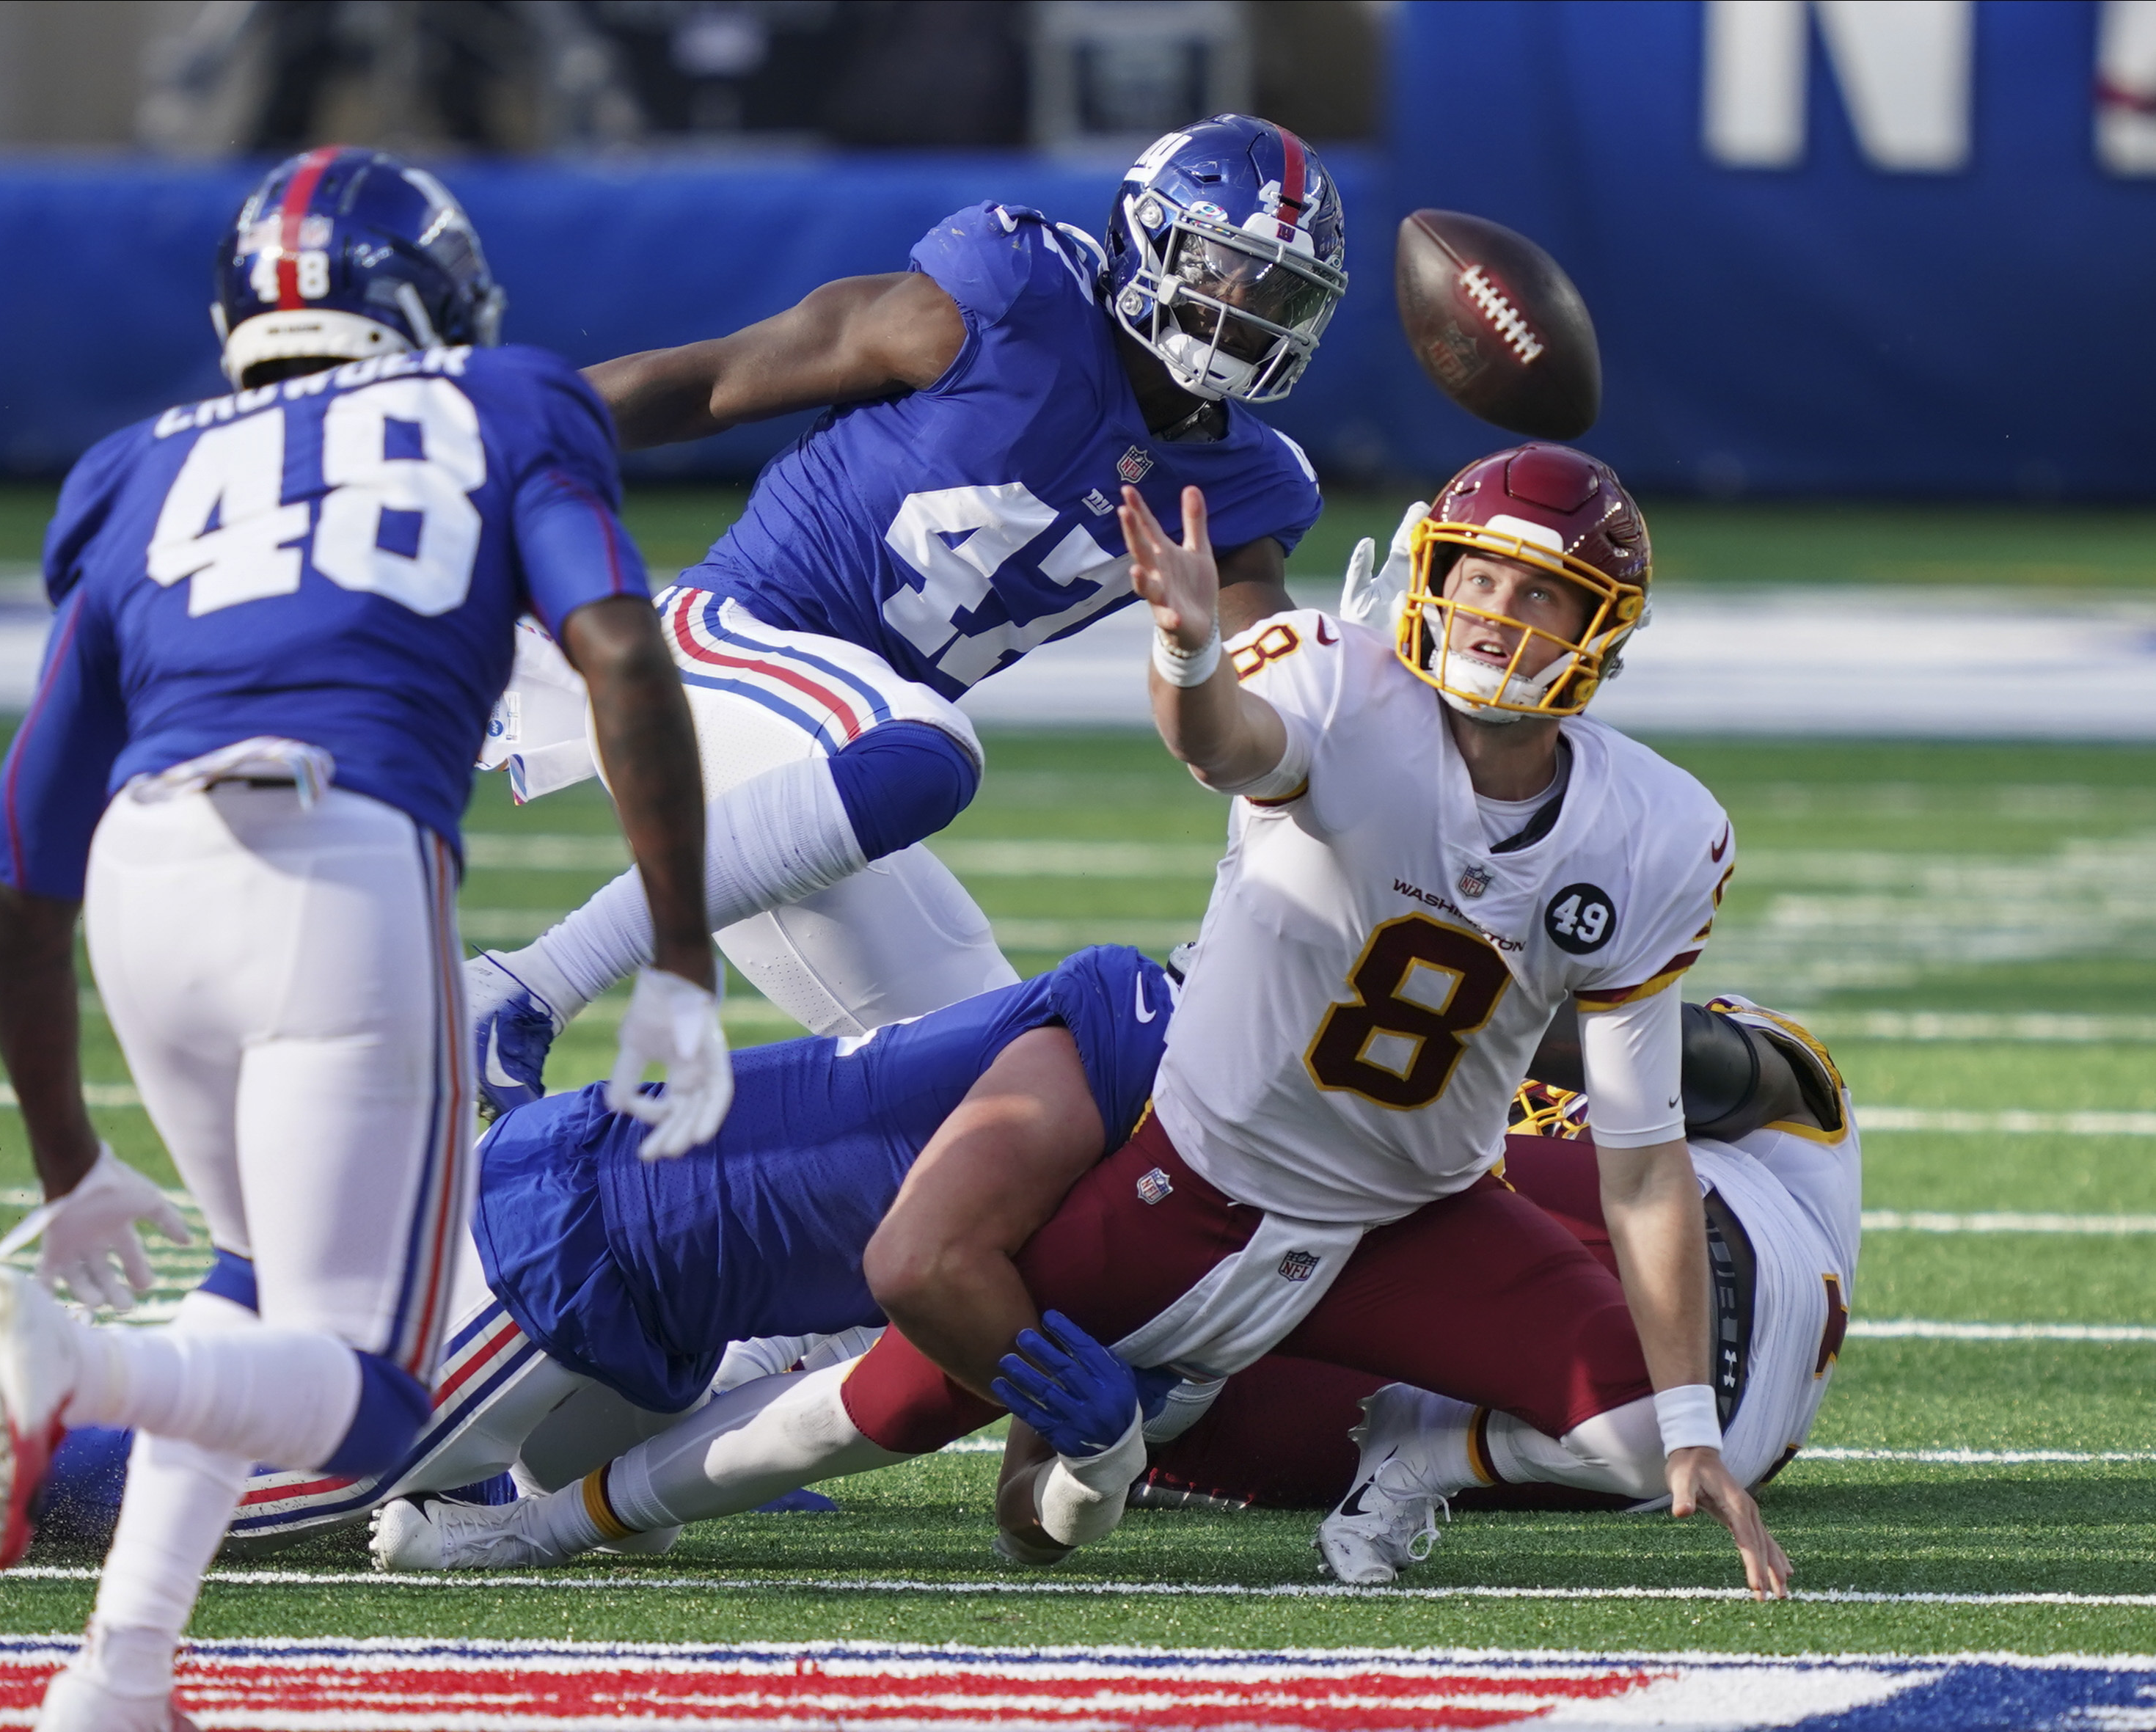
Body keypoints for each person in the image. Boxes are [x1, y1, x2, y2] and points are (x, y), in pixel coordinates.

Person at [397, 443, 1793, 1600]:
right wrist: (1190, 653)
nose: (1497, 615)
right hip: (1193, 1168)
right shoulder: (1339, 688)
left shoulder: (1654, 829)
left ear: (1595, 630)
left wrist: (1685, 1430)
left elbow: (1642, 1148)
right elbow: (1222, 743)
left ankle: (1410, 1464)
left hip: (1414, 1210)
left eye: (1539, 595)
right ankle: (554, 1520)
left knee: (1648, 1435)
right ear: (1431, 578)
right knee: (898, 1411)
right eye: (1479, 578)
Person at [0, 149, 711, 1732]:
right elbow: (617, 648)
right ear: (426, 300)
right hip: (338, 860)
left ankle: (116, 1672)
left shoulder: (135, 463)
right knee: (373, 1395)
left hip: (142, 879)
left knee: (254, 1281)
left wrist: (69, 1164)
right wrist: (678, 951)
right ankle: (79, 1372)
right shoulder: (508, 403)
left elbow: (18, 873)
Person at [0, 946, 1174, 1560]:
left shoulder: (1188, 1126)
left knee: (431, 1479)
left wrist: (1086, 1460)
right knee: (186, 1495)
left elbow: (996, 1469)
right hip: (578, 1249)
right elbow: (916, 1297)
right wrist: (1094, 1447)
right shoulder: (1133, 1050)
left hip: (641, 1302)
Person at [467, 112, 1345, 1107]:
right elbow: (711, 379)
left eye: (1282, 290)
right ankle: (520, 988)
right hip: (728, 649)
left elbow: (1276, 701)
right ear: (1153, 236)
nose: (1250, 307)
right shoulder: (1016, 299)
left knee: (1016, 1088)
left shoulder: (1245, 488)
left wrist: (1337, 676)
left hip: (815, 796)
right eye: (1228, 266)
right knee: (930, 747)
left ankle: (588, 1204)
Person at [1051, 998, 1860, 1582]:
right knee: (1133, 1391)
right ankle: (1417, 1446)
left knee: (1276, 1204)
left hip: (1710, 1281)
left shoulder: (1650, 1044)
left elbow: (1716, 1067)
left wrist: (1481, 1001)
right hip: (1661, 1448)